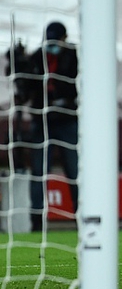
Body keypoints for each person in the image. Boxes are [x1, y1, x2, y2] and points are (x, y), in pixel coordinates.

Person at [25, 21, 80, 232]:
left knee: (74, 171)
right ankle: (36, 221)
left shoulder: (75, 57)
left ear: (65, 39)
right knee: (39, 172)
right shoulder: (37, 57)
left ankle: (81, 215)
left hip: (67, 120)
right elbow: (27, 88)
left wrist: (66, 99)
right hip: (42, 121)